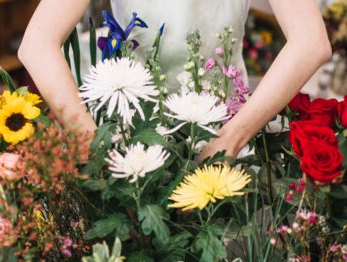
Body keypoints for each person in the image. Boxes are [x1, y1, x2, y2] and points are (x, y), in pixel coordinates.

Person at [18, 0, 331, 161]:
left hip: (225, 135)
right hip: (132, 142)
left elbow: (311, 41)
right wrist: (93, 144)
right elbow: (37, 43)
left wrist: (231, 139)